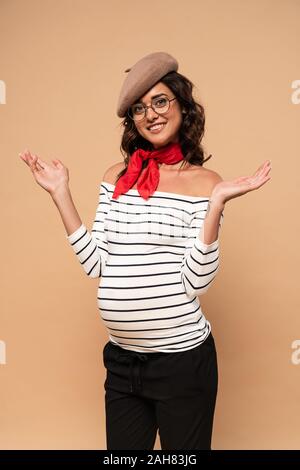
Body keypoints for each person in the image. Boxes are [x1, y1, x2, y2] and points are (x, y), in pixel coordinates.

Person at [19, 51, 272, 450]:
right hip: (122, 364)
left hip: (182, 365)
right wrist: (60, 194)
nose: (151, 114)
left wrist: (217, 203)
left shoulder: (207, 183)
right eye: (139, 108)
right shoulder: (117, 178)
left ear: (182, 107)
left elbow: (197, 280)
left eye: (160, 101)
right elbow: (95, 263)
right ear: (132, 120)